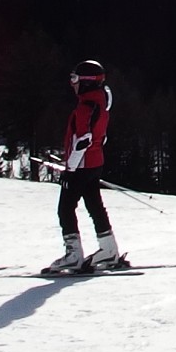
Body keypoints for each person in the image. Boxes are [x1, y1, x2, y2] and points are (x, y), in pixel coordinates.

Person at [44, 59, 128, 274]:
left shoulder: (85, 106)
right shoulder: (100, 103)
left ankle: (73, 255)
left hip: (81, 166)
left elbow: (83, 140)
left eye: (75, 79)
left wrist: (70, 169)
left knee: (65, 209)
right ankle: (109, 250)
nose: (72, 84)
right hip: (94, 164)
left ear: (86, 82)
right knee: (95, 206)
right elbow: (101, 137)